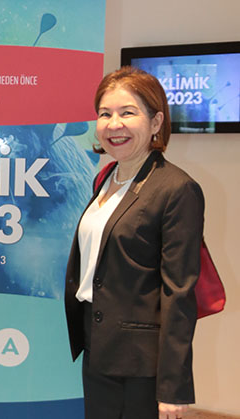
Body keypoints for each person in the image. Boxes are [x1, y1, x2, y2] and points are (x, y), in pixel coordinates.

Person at [64, 66, 204, 419]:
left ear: (156, 122)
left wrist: (173, 387)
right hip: (98, 348)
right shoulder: (105, 178)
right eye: (105, 114)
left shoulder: (177, 189)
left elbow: (179, 293)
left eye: (128, 113)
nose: (114, 124)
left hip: (140, 363)